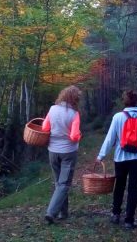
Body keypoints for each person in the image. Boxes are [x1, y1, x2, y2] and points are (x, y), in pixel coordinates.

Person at [96, 90, 137, 230]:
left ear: (125, 102)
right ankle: (129, 220)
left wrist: (101, 156)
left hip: (120, 158)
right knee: (133, 189)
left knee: (119, 186)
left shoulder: (117, 117)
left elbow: (110, 138)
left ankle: (116, 214)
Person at [41, 85, 82, 224]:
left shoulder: (52, 109)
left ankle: (63, 212)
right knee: (63, 184)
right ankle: (51, 213)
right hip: (68, 152)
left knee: (59, 182)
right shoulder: (74, 114)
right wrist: (79, 135)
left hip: (52, 151)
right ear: (75, 99)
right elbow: (74, 136)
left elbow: (45, 128)